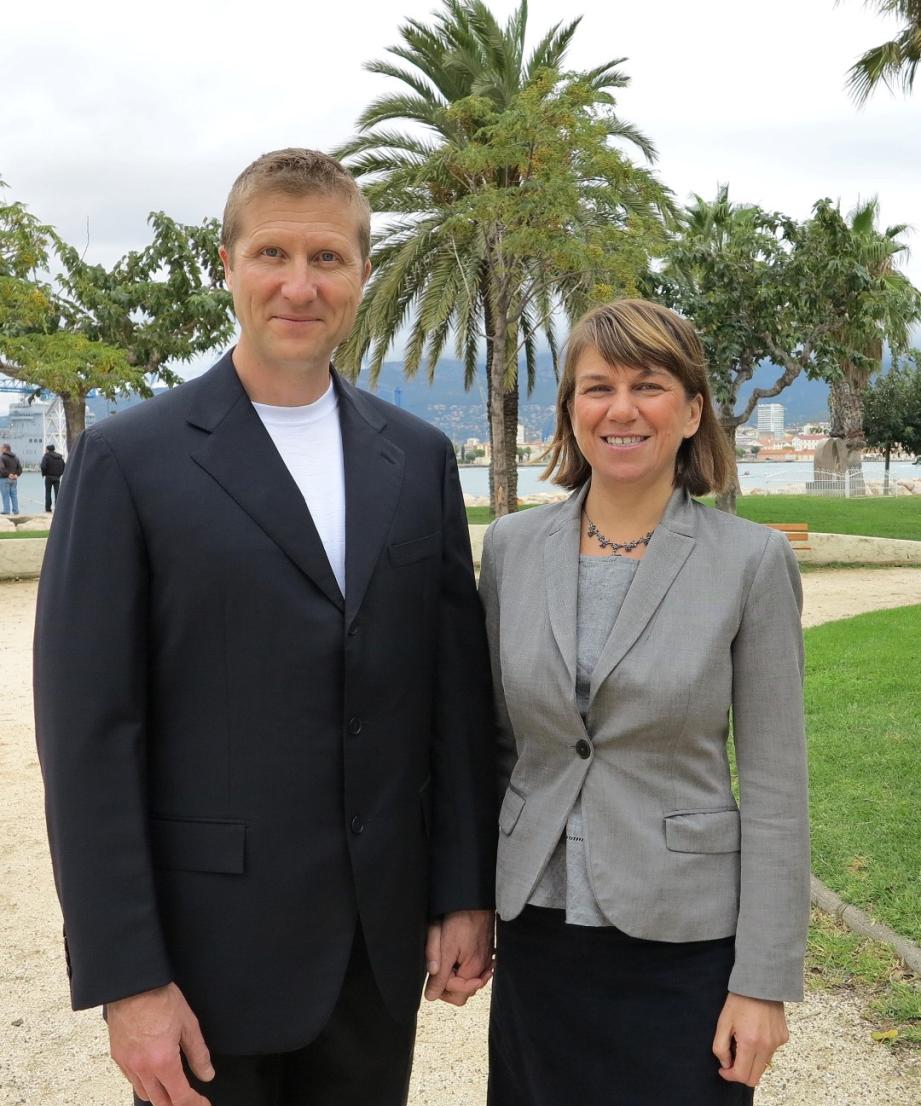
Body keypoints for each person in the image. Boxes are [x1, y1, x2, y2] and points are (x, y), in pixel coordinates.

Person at [34, 148, 497, 1106]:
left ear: (363, 275)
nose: (299, 284)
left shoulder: (416, 460)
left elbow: (451, 698)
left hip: (376, 958)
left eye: (327, 258)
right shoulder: (127, 461)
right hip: (208, 961)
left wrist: (461, 892)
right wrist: (128, 980)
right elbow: (89, 739)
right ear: (226, 264)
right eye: (272, 254)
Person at [479, 299, 809, 1106]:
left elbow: (774, 790)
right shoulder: (512, 551)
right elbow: (491, 745)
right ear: (568, 411)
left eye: (647, 385)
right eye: (596, 388)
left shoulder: (750, 563)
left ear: (692, 409)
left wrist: (762, 983)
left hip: (682, 945)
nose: (619, 409)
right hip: (539, 937)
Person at [40, 443, 66, 511]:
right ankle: (58, 509)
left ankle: (48, 508)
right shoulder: (59, 457)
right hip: (57, 477)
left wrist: (44, 473)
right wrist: (60, 474)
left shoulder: (46, 456)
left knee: (48, 493)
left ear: (48, 449)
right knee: (57, 493)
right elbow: (64, 466)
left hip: (48, 477)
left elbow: (43, 466)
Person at [0, 442, 23, 514]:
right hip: (14, 480)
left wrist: (8, 474)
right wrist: (16, 475)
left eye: (1, 448)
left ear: (5, 449)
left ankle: (6, 511)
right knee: (14, 495)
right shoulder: (16, 458)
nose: (0, 449)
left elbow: (1, 468)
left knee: (5, 495)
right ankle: (16, 511)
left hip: (4, 479)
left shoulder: (2, 457)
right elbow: (20, 469)